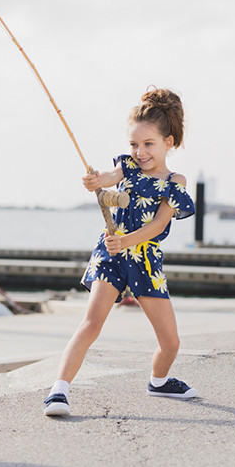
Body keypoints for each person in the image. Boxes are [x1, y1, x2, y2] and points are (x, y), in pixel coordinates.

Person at [44, 88, 198, 417]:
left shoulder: (175, 181)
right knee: (91, 323)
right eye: (133, 144)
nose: (139, 152)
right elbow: (107, 178)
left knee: (171, 342)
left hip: (144, 260)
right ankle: (58, 391)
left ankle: (159, 381)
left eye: (148, 144)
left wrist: (127, 242)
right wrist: (95, 181)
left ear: (168, 143)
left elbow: (158, 225)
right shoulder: (126, 167)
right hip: (111, 252)